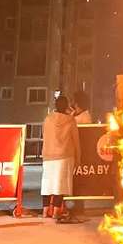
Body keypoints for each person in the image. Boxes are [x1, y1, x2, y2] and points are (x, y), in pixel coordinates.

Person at [40, 94, 80, 222]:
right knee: (60, 185)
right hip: (64, 155)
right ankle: (56, 212)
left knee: (47, 184)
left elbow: (44, 135)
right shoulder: (70, 120)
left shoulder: (47, 119)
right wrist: (78, 158)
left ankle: (45, 211)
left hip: (48, 155)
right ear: (66, 106)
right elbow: (76, 141)